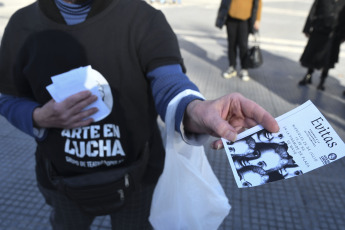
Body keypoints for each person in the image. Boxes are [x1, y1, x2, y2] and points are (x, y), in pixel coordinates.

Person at [0, 0, 279, 229]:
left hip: (138, 178)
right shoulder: (22, 25)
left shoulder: (143, 17)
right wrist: (38, 117)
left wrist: (194, 108)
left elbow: (168, 80)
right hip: (61, 180)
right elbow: (8, 97)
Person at [298, 0, 345, 91]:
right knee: (312, 55)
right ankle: (308, 75)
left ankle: (323, 79)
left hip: (334, 35)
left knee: (328, 59)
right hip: (319, 30)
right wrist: (307, 28)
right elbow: (313, 11)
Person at [215, 0, 262, 81]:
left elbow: (258, 2)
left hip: (245, 20)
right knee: (231, 44)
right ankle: (232, 67)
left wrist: (257, 20)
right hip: (231, 18)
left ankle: (244, 69)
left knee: (243, 45)